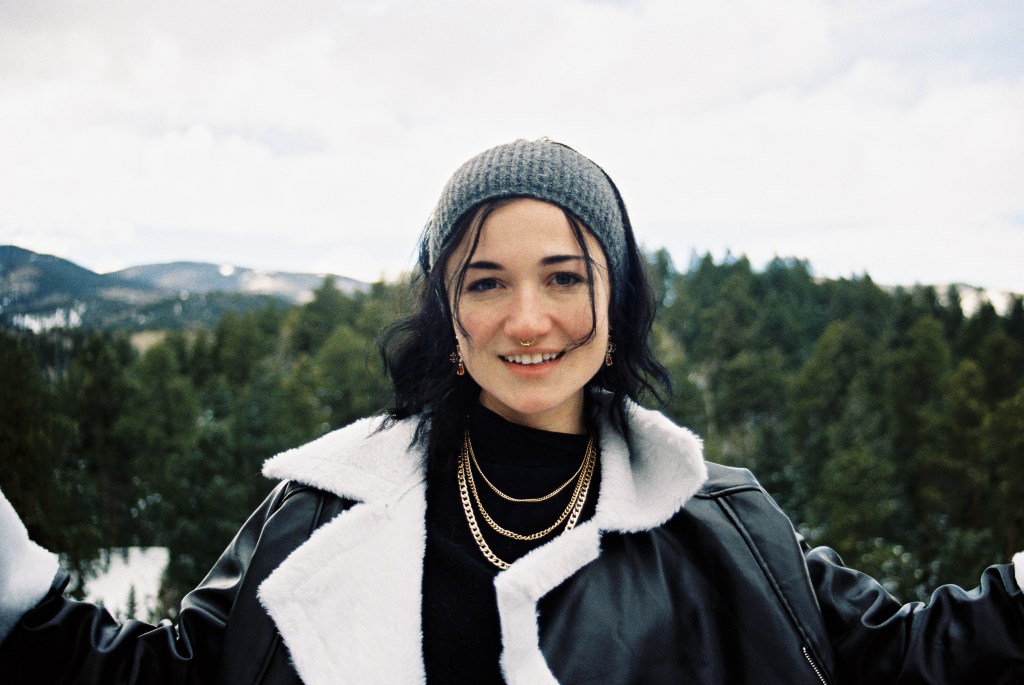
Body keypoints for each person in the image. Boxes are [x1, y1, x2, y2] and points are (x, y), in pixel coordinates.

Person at [1, 138, 1023, 684]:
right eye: (485, 281)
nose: (527, 319)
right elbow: (156, 675)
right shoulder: (322, 513)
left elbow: (911, 656)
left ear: (616, 301)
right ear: (447, 313)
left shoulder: (723, 526)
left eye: (564, 277)